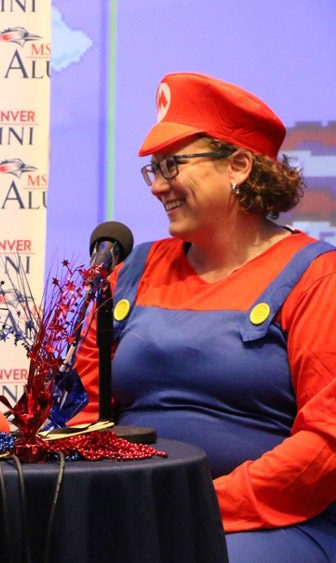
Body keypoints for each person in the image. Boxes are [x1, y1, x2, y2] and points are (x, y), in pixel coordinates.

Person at [72, 73, 336, 561]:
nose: (158, 186)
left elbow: (326, 447)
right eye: (153, 169)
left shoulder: (317, 278)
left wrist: (194, 507)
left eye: (172, 165)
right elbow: (78, 413)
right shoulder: (130, 270)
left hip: (271, 524)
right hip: (132, 513)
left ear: (237, 164)